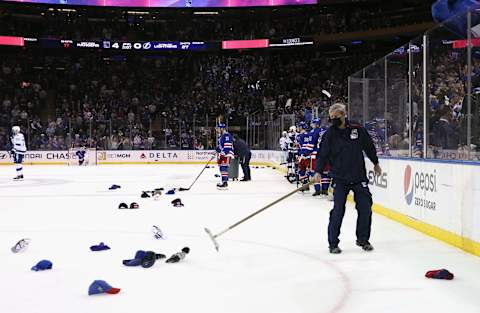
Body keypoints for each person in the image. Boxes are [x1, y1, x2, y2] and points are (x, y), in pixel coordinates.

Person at [314, 103, 382, 254]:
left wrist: (375, 163)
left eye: (336, 117)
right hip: (339, 178)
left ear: (344, 115)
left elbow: (369, 146)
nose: (333, 120)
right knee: (338, 211)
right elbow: (322, 154)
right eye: (331, 118)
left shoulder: (357, 130)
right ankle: (333, 243)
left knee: (365, 208)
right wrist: (318, 171)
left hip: (358, 177)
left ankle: (363, 239)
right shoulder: (329, 134)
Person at [215, 123, 234, 190]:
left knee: (223, 167)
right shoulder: (222, 136)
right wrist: (218, 149)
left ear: (222, 128)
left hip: (226, 154)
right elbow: (221, 146)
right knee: (221, 167)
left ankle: (225, 183)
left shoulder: (227, 135)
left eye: (218, 128)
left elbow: (227, 146)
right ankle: (223, 181)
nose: (217, 130)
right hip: (223, 154)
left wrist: (222, 152)